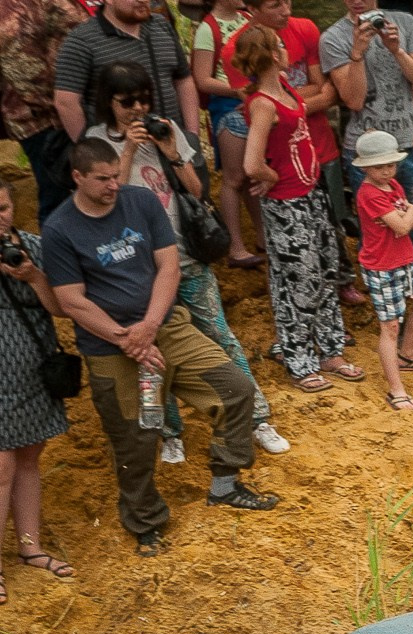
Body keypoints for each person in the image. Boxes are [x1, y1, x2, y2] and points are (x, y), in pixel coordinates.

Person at [44, 138, 279, 556]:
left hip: (166, 326)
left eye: (117, 175)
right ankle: (145, 522)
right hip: (109, 348)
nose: (114, 185)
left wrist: (148, 328)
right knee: (134, 436)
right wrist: (126, 339)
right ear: (77, 177)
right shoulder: (60, 228)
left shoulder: (141, 202)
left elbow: (168, 266)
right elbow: (71, 300)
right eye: (102, 179)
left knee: (236, 391)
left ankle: (225, 486)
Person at [87, 62, 289, 459]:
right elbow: (110, 200)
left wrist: (171, 153)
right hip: (138, 270)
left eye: (143, 99)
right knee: (155, 351)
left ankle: (257, 418)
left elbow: (197, 191)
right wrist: (127, 148)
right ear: (107, 103)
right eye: (127, 102)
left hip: (187, 258)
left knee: (219, 337)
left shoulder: (166, 127)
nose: (137, 109)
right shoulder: (97, 142)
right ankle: (169, 432)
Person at [239, 24, 359, 392]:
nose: (285, 49)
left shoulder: (286, 88)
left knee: (323, 270)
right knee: (298, 281)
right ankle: (298, 357)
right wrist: (271, 176)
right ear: (274, 55)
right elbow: (251, 164)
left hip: (310, 195)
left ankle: (330, 349)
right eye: (280, 46)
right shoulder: (262, 102)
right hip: (287, 204)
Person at [322, 0, 413, 300]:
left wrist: (396, 49)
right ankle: (390, 310)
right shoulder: (333, 37)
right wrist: (357, 53)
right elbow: (353, 101)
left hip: (407, 145)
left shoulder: (404, 22)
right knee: (378, 238)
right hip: (367, 155)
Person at [0, 181, 76, 597]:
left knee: (29, 458)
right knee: (1, 468)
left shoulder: (32, 245)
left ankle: (31, 548)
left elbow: (61, 307)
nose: (1, 217)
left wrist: (32, 276)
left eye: (4, 207)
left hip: (33, 371)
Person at [354, 129, 413, 411]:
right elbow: (404, 225)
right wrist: (411, 210)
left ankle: (407, 354)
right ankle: (396, 390)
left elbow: (407, 224)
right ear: (365, 167)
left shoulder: (394, 187)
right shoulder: (369, 194)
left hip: (402, 259)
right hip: (382, 266)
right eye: (379, 166)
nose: (387, 171)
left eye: (390, 165)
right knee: (390, 327)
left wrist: (407, 214)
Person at [53, 0, 199, 141]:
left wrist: (192, 135)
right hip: (124, 154)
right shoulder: (82, 41)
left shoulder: (161, 26)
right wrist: (94, 151)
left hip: (175, 143)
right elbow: (66, 102)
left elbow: (183, 80)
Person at [191, 0, 266, 265]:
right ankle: (235, 247)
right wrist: (236, 90)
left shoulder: (247, 18)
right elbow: (202, 78)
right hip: (228, 107)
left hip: (253, 102)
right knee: (234, 178)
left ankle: (262, 236)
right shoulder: (207, 29)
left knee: (252, 175)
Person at [0, 0, 89, 225]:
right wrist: (61, 106)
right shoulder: (10, 8)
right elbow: (21, 63)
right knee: (59, 200)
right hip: (42, 120)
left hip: (82, 107)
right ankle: (58, 258)